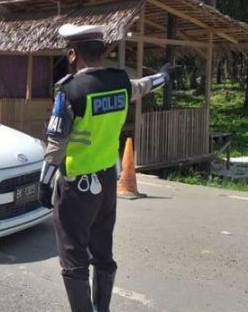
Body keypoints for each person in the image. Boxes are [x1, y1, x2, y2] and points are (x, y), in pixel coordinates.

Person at [38, 25, 178, 312]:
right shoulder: (119, 82)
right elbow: (143, 86)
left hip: (76, 185)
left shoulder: (70, 90)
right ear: (101, 52)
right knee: (102, 251)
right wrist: (163, 76)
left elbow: (57, 141)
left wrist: (44, 181)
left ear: (73, 54)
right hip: (106, 182)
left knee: (73, 254)